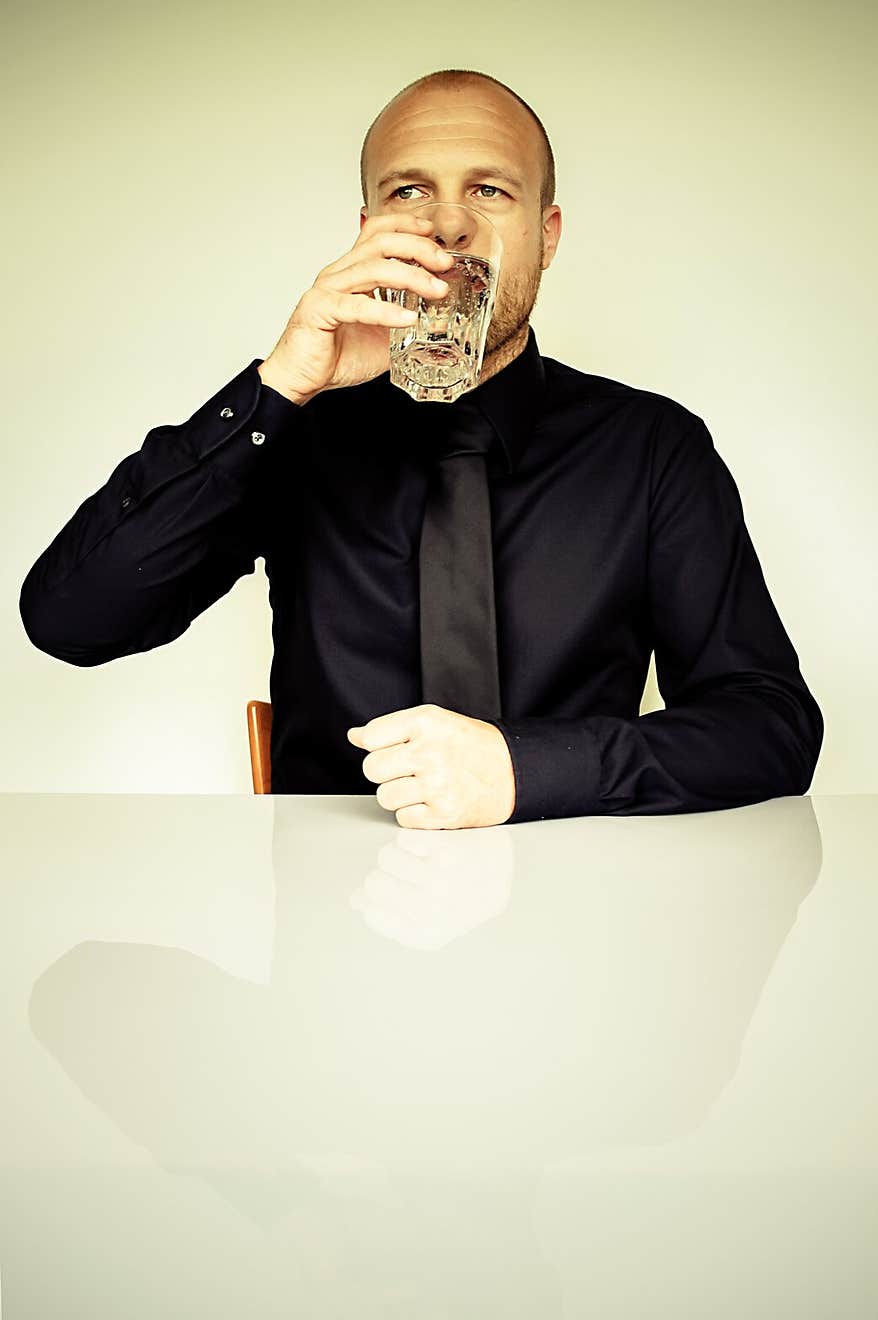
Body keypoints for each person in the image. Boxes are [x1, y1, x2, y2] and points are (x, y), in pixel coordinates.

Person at [19, 68, 824, 829]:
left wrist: (528, 769)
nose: (447, 223)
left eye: (489, 189)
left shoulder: (651, 447)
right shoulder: (294, 434)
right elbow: (72, 620)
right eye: (411, 191)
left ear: (546, 236)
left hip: (586, 919)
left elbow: (769, 724)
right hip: (330, 930)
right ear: (371, 231)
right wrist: (277, 387)